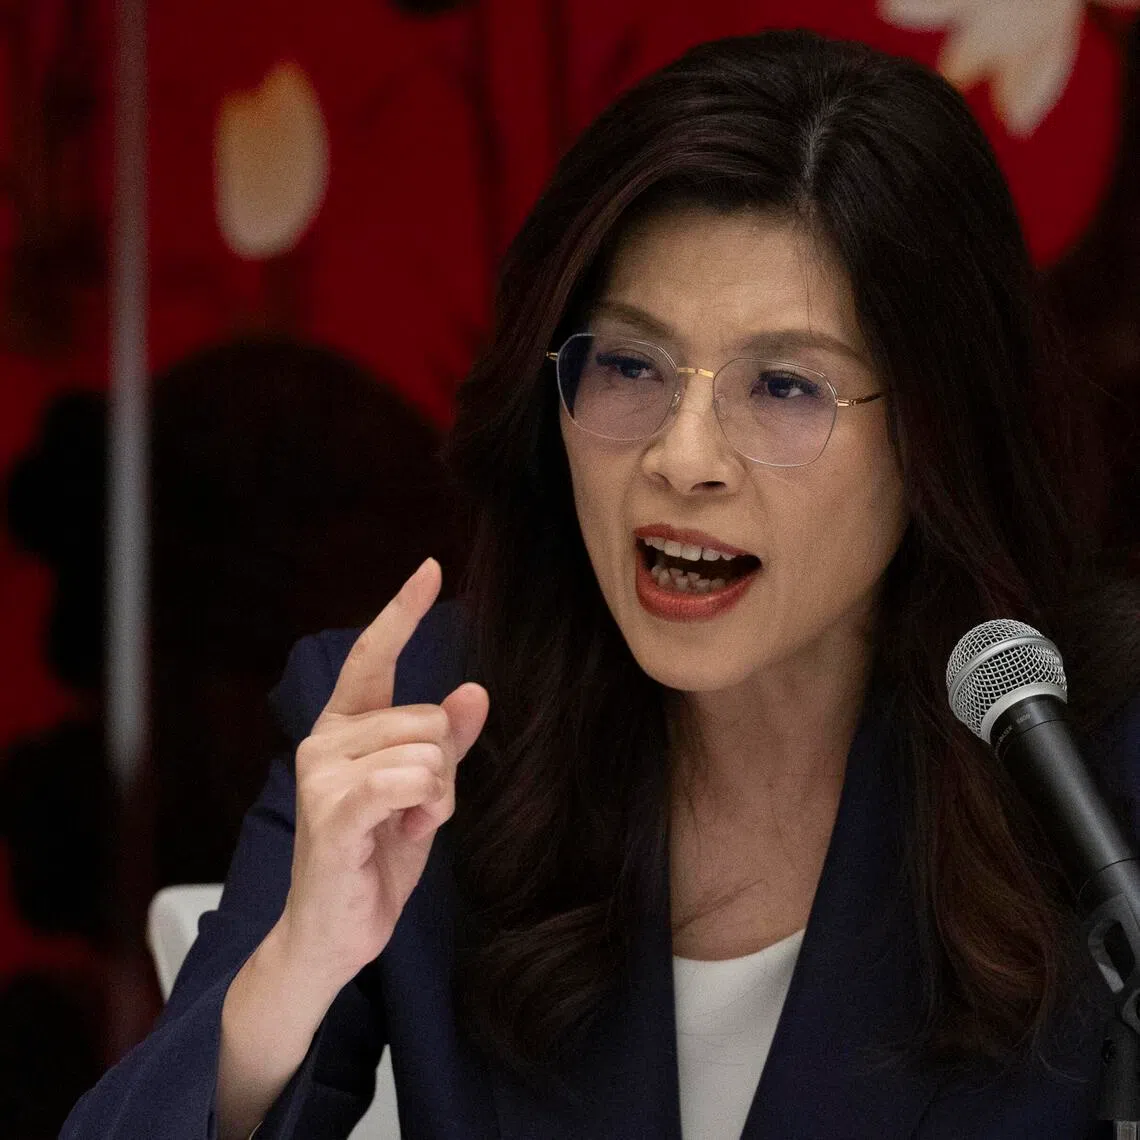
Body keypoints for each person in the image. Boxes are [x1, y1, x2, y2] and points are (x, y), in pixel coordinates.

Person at [63, 27, 1140, 1140]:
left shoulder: (1094, 756)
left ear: (936, 434)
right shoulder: (417, 728)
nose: (682, 457)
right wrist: (297, 963)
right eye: (630, 366)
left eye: (781, 385)